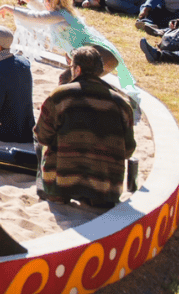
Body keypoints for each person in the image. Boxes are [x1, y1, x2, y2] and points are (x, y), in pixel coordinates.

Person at [34, 46, 135, 210]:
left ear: (77, 69)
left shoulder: (59, 96)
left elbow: (43, 136)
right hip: (106, 188)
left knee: (40, 145)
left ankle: (52, 191)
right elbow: (129, 150)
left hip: (62, 183)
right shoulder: (122, 104)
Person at [0, 0, 137, 94]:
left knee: (66, 80)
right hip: (105, 56)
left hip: (101, 56)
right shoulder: (64, 11)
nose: (43, 2)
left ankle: (56, 105)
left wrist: (7, 7)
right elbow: (40, 7)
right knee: (82, 83)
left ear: (54, 1)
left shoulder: (60, 15)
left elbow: (34, 16)